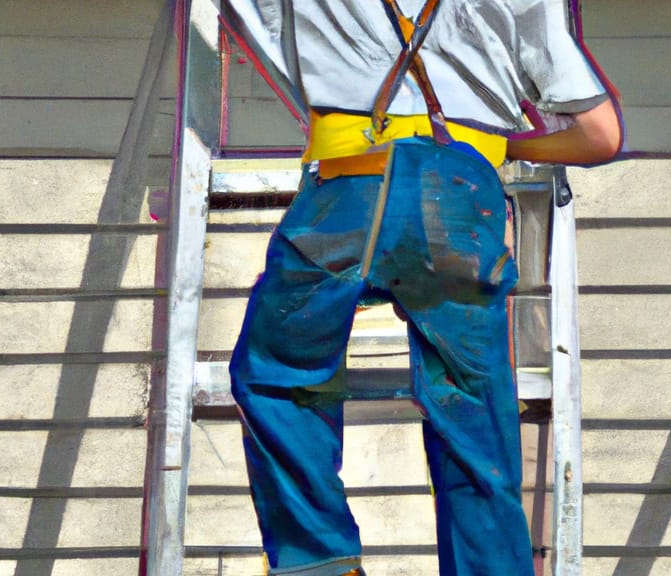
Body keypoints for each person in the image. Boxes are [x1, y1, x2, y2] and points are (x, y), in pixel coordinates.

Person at [225, 1, 622, 574]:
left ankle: (322, 562)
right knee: (473, 410)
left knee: (274, 374)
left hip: (349, 190)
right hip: (460, 195)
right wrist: (501, 146)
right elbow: (599, 136)